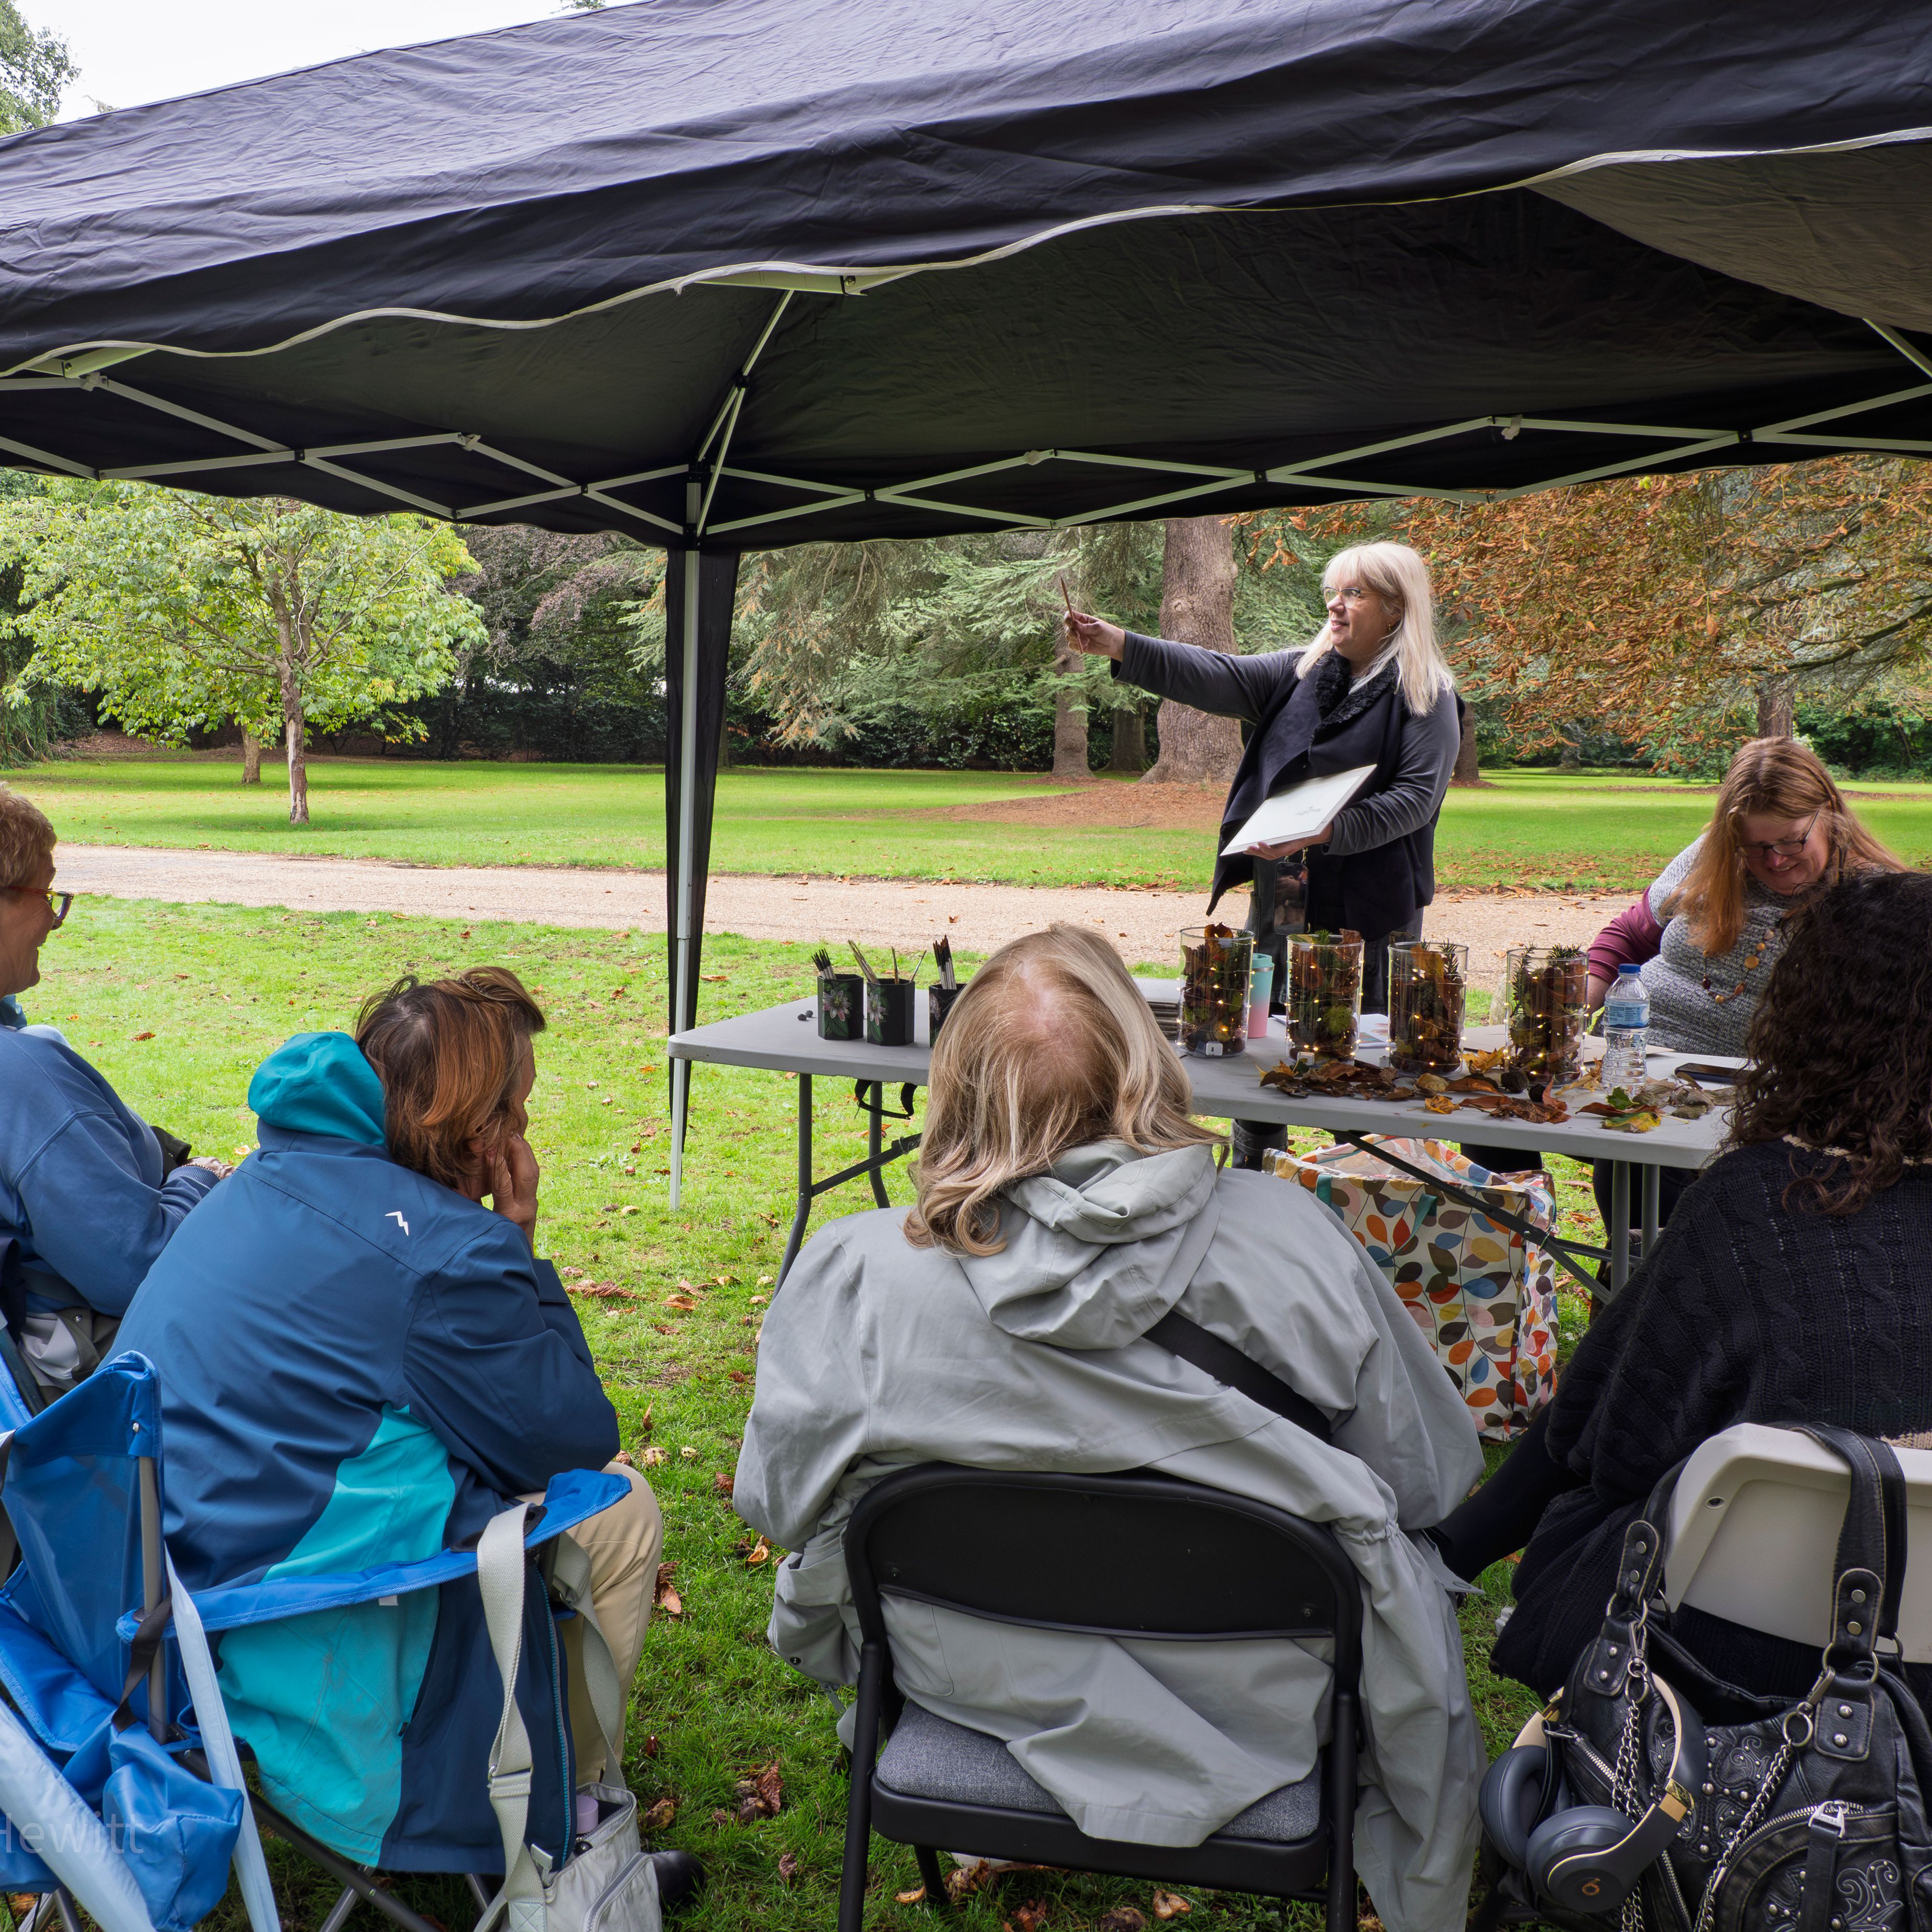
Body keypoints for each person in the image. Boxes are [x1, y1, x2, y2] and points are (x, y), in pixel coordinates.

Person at [735, 924, 1485, 1932]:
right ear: (1146, 1061)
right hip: (1270, 1698)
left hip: (970, 1677)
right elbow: (1429, 1480)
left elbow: (777, 1500)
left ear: (957, 1084)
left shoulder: (857, 1273)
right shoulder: (1292, 1240)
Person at [116, 969, 695, 1898]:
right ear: (478, 1133)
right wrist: (522, 1238)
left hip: (150, 1592)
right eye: (519, 1113)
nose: (526, 1136)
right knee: (619, 1508)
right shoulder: (442, 1254)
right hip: (279, 1618)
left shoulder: (268, 1170)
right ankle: (569, 1844)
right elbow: (571, 1437)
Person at [1434, 871, 1932, 1713]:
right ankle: (1454, 1547)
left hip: (1724, 1652)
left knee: (1607, 1417)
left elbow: (1622, 1452)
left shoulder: (1765, 1206)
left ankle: (1453, 1550)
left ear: (1811, 1015)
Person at [1064, 542, 1459, 1167]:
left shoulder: (1425, 694)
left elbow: (1414, 801)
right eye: (1334, 590)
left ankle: (1358, 1188)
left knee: (1355, 1067)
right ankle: (1255, 1178)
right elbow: (1214, 673)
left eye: (1354, 593)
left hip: (1372, 921)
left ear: (1395, 609)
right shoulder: (1297, 673)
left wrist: (1324, 832)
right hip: (1282, 908)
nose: (1336, 603)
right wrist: (1120, 644)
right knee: (1261, 1059)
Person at [1463, 738, 1904, 1227]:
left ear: (1830, 815)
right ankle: (1516, 1271)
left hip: (1744, 1095)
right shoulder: (1712, 860)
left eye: (1791, 840)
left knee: (1636, 1150)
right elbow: (1630, 934)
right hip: (1626, 1066)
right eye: (1754, 846)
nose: (1774, 860)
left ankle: (1636, 1285)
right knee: (1493, 1111)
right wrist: (1576, 1000)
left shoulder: (1875, 904)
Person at [0, 781, 225, 1396]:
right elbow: (136, 1265)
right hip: (77, 1383)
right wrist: (199, 1178)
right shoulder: (22, 1080)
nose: (53, 916)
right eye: (44, 895)